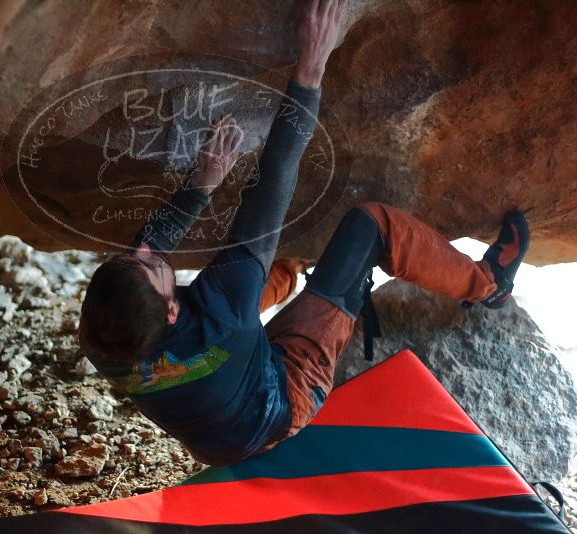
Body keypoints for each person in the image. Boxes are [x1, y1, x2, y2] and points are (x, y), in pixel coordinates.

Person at [78, 0, 529, 466]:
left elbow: (142, 259)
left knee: (246, 283)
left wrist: (200, 189)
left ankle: (286, 273)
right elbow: (273, 179)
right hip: (282, 400)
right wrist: (311, 69)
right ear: (172, 313)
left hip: (215, 428)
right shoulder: (221, 312)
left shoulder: (104, 337)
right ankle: (489, 285)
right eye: (154, 267)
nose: (150, 251)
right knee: (373, 224)